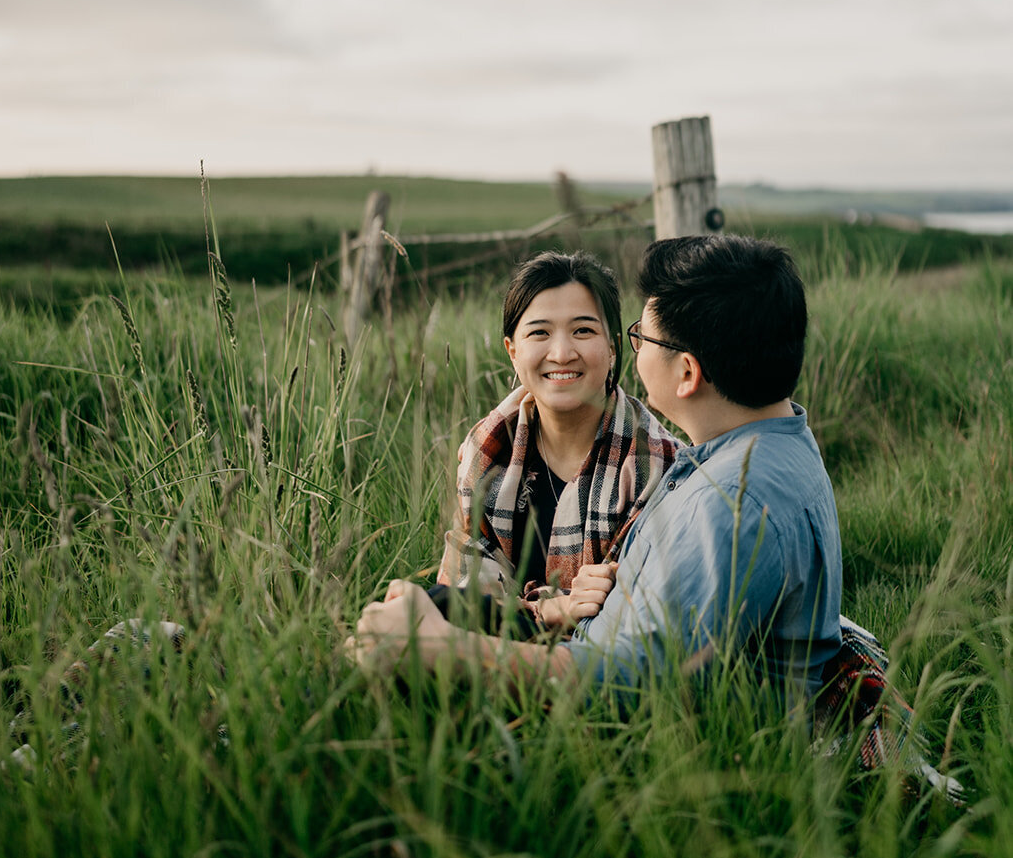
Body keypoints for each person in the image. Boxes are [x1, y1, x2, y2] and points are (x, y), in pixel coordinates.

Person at [351, 234, 844, 710]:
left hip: (597, 702)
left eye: (639, 337)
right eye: (540, 332)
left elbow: (633, 679)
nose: (563, 352)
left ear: (687, 373)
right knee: (411, 608)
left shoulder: (727, 502)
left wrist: (449, 650)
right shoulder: (757, 449)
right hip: (567, 641)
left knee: (407, 645)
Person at [431, 250, 678, 633]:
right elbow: (463, 585)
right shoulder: (487, 448)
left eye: (583, 330)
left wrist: (520, 610)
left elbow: (619, 612)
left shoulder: (656, 464)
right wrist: (548, 608)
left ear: (612, 346)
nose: (562, 354)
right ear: (513, 351)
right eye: (539, 333)